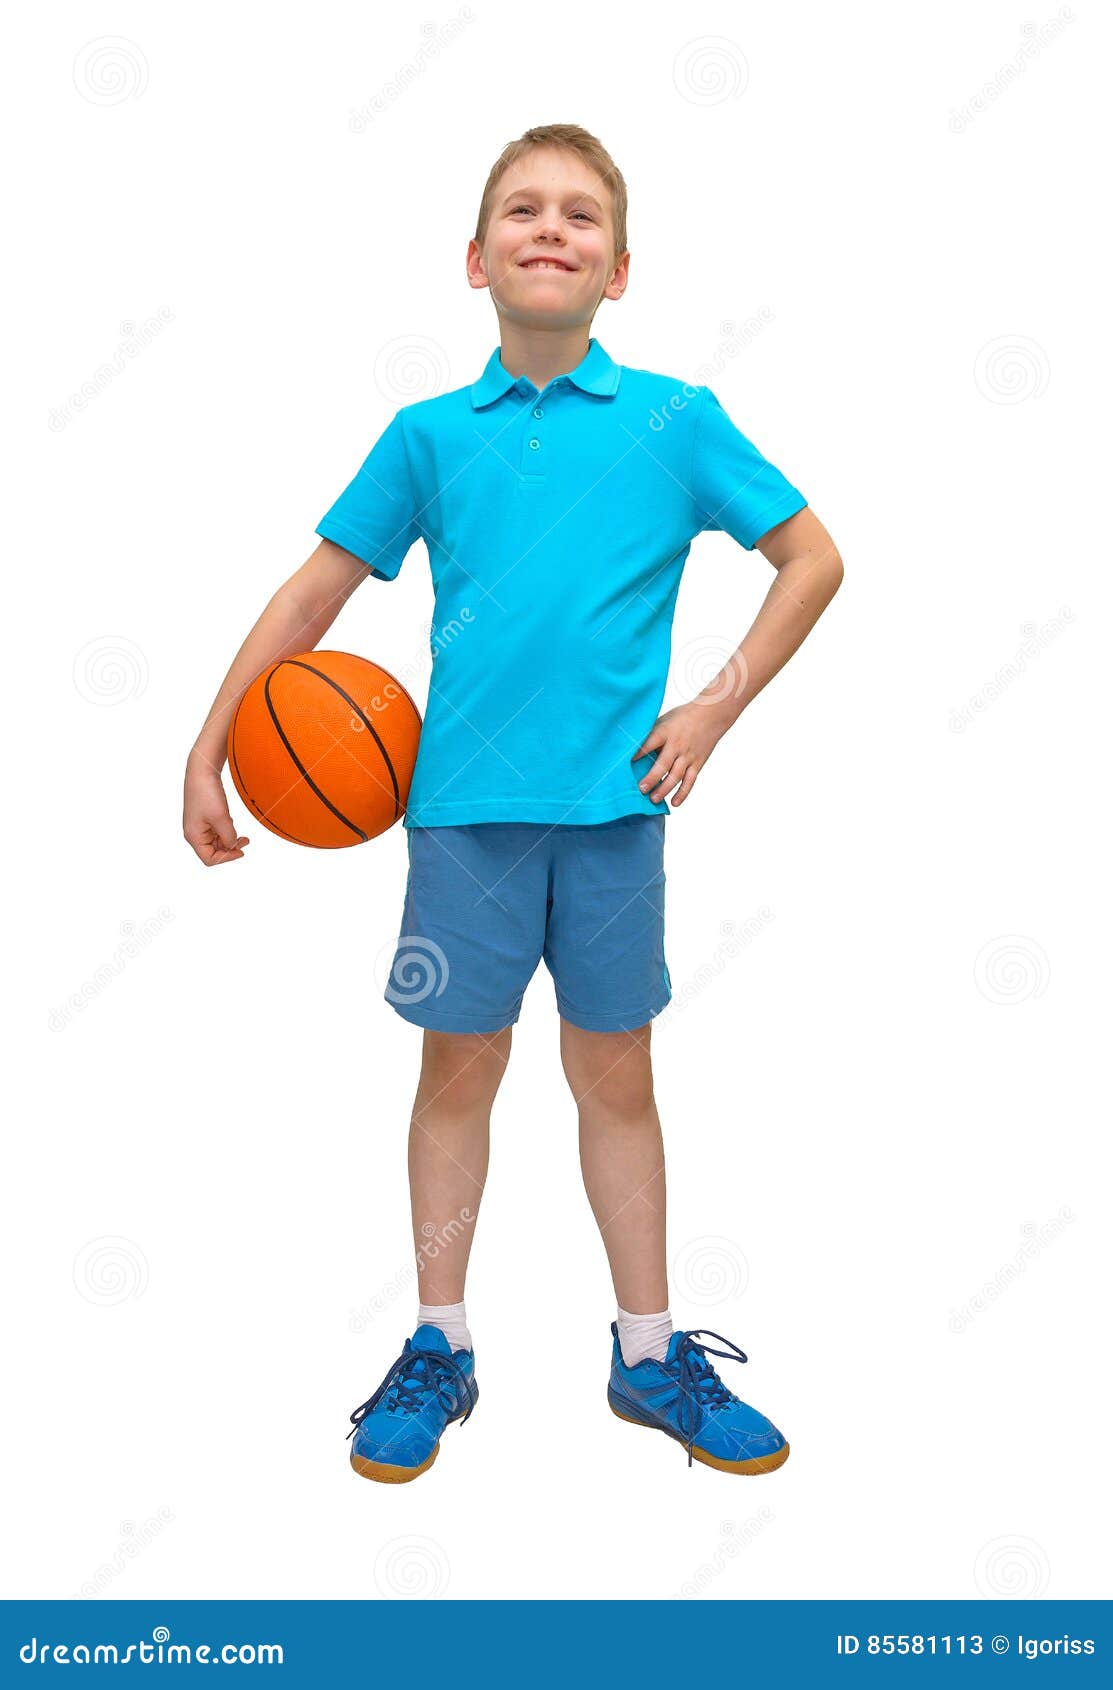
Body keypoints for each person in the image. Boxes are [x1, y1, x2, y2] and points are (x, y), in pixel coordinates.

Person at [183, 123, 844, 1482]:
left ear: (620, 269)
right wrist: (211, 743)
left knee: (618, 1077)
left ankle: (649, 1354)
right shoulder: (426, 436)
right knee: (457, 1070)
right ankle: (440, 1343)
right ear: (475, 261)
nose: (553, 229)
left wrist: (714, 705)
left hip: (616, 814)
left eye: (582, 216)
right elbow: (315, 597)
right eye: (523, 212)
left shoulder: (676, 420)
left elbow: (813, 557)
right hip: (461, 821)